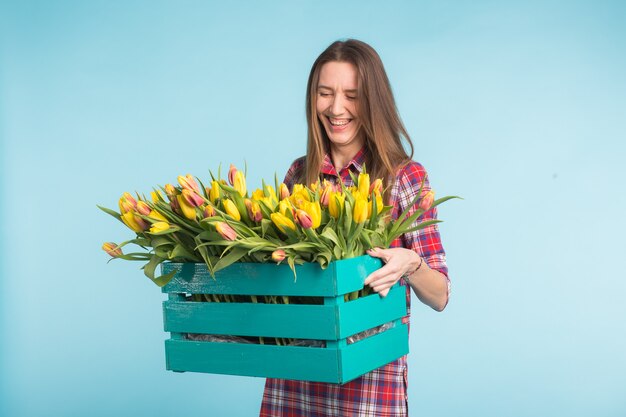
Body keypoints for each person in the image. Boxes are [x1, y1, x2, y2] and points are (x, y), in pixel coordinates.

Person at [260, 39, 450, 417]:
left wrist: (411, 263)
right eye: (325, 93)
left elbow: (441, 295)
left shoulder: (404, 178)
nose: (336, 108)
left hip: (369, 390)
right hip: (294, 383)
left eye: (352, 95)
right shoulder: (299, 175)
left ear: (373, 101)